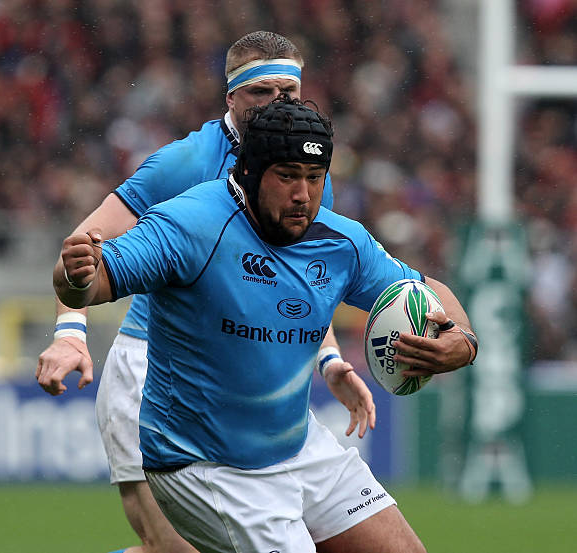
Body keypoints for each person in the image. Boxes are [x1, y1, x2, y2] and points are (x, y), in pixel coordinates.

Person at [54, 95, 478, 553]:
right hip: (204, 465)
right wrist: (75, 274)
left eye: (315, 178)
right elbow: (93, 282)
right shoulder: (191, 225)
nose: (304, 194)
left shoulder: (340, 241)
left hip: (298, 448)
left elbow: (428, 289)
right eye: (288, 176)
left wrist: (464, 343)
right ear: (249, 172)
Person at [37, 31, 373, 553]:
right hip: (153, 369)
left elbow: (301, 284)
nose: (277, 103)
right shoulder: (184, 163)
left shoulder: (304, 175)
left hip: (232, 376)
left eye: (288, 91)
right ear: (231, 99)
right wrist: (70, 332)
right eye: (262, 92)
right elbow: (83, 250)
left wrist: (328, 360)